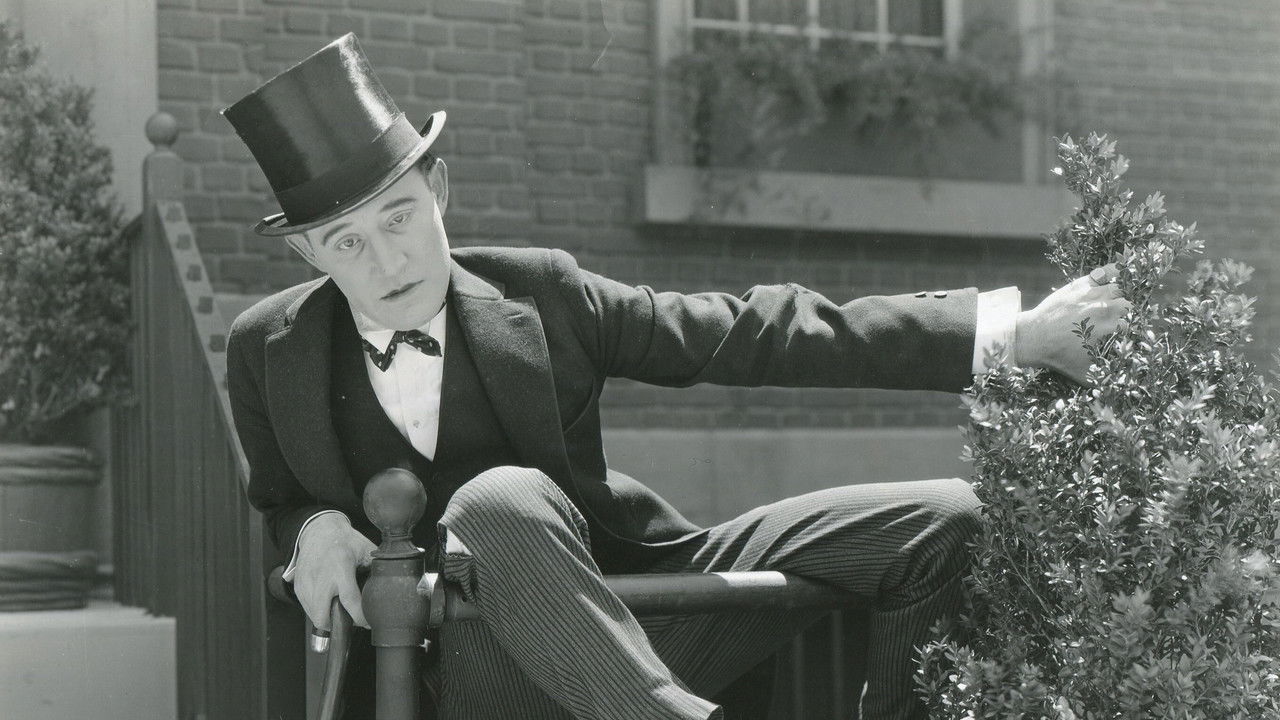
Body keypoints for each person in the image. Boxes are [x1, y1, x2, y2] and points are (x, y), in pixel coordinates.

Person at [223, 34, 1128, 720]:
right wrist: (314, 530)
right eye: (347, 241)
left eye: (400, 217)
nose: (387, 260)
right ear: (308, 254)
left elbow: (754, 333)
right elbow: (281, 499)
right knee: (497, 500)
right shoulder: (268, 349)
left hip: (623, 623)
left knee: (947, 519)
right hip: (459, 677)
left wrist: (1012, 335)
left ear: (441, 192)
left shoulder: (542, 291)